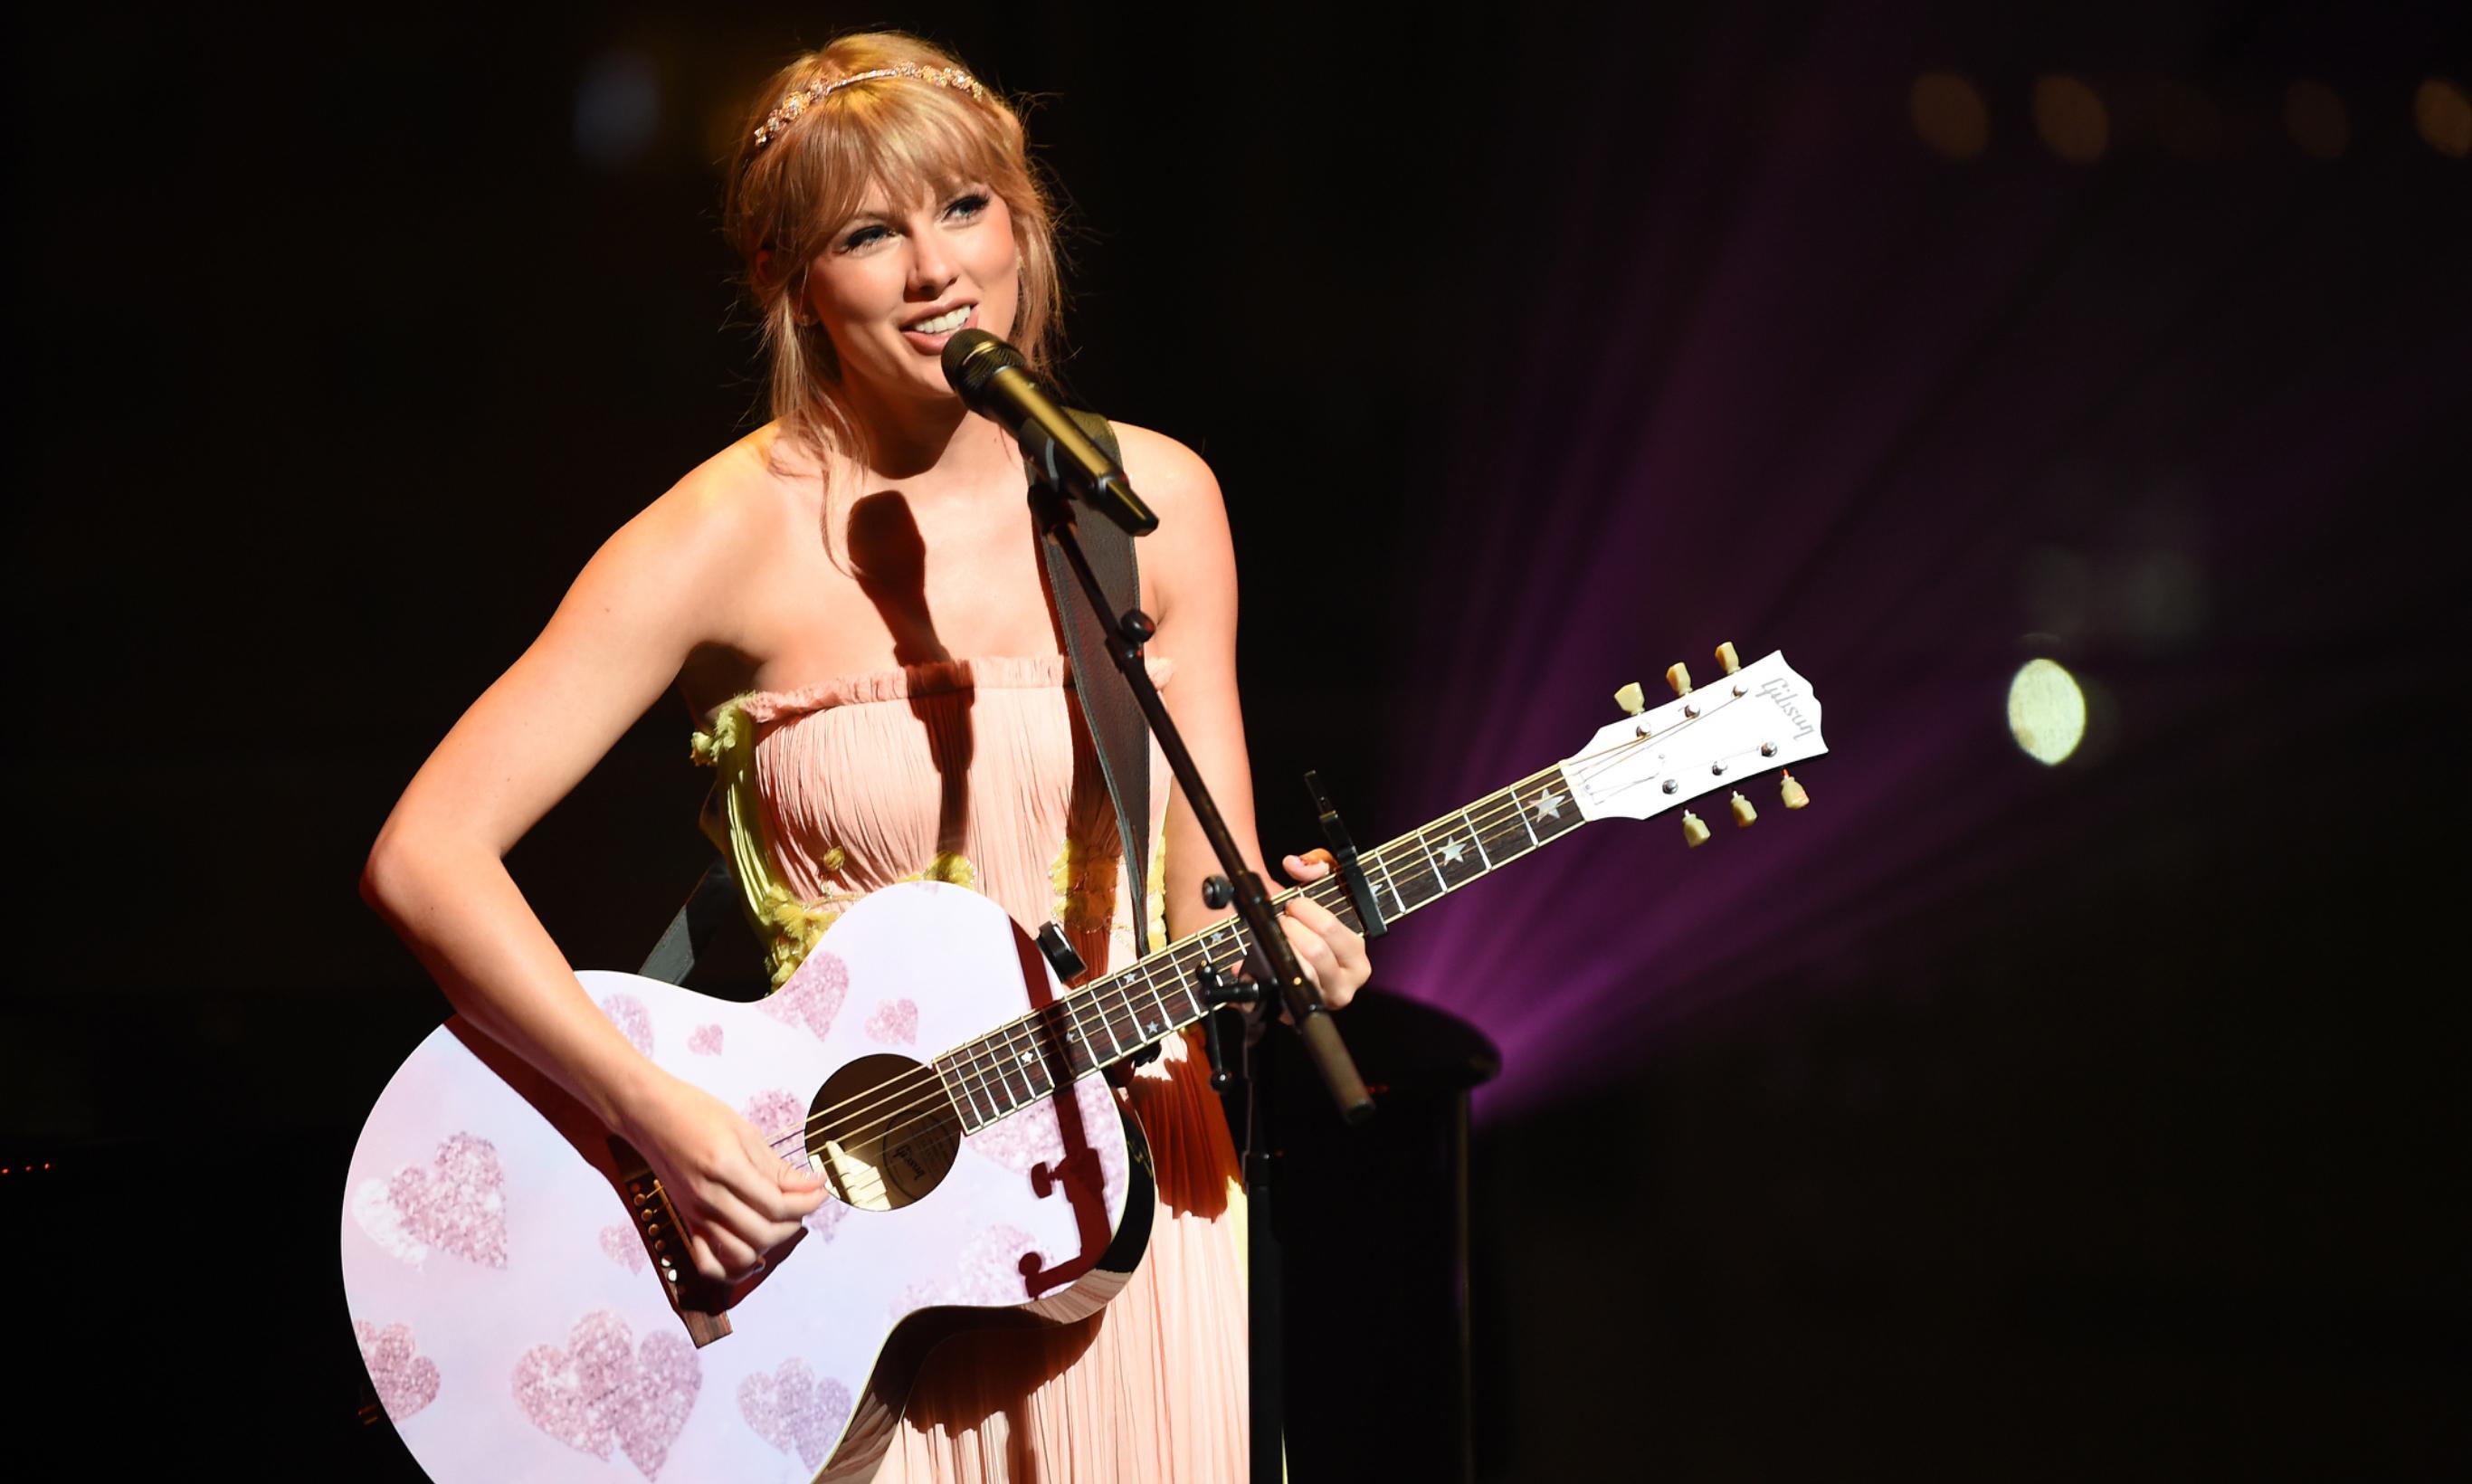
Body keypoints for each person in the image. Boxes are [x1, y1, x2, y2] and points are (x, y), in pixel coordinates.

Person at [359, 29, 1370, 1482]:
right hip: (837, 1256)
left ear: (1025, 224)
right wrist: (663, 1121)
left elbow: (1207, 897)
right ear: (793, 281)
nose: (935, 270)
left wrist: (1296, 940)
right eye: (868, 233)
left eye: (967, 208)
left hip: (1130, 1211)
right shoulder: (724, 532)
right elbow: (425, 855)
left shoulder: (1144, 500)